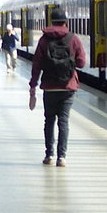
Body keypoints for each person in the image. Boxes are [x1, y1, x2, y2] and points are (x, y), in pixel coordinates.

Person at [29, 9, 86, 167]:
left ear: (51, 22)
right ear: (65, 22)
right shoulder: (73, 39)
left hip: (49, 87)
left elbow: (37, 65)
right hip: (68, 86)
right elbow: (81, 62)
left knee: (49, 120)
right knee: (64, 121)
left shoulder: (44, 39)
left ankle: (49, 155)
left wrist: (33, 85)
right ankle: (62, 157)